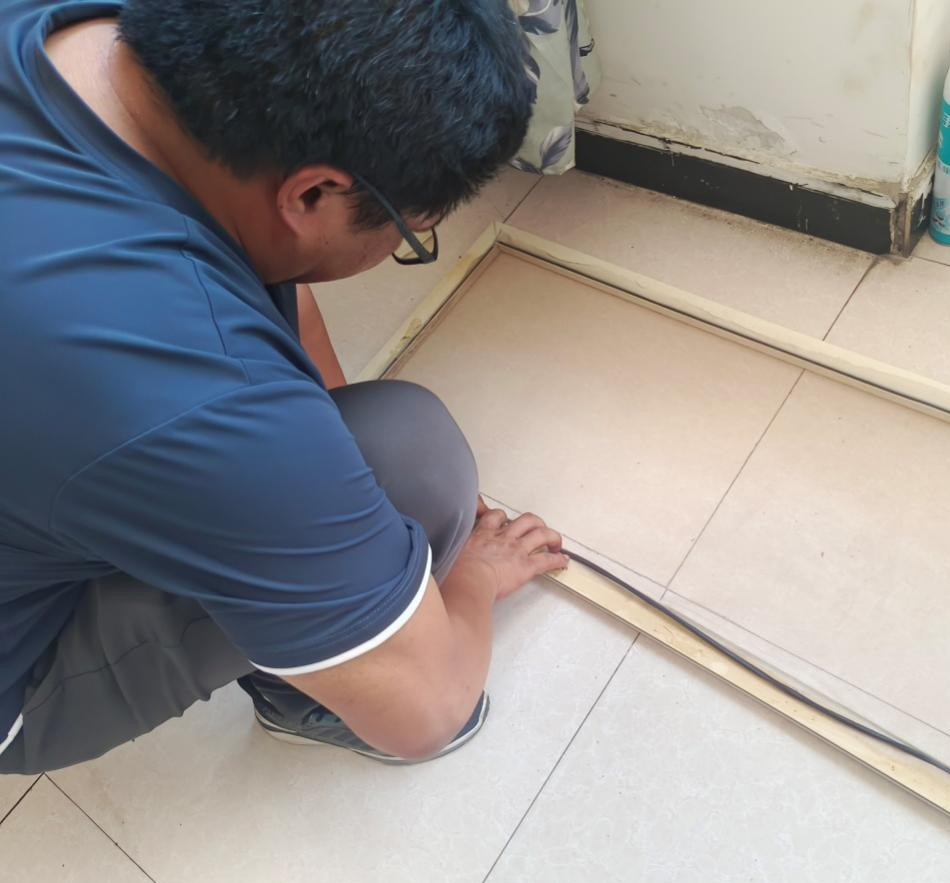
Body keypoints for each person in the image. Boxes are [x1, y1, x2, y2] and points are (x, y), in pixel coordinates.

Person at [0, 0, 569, 776]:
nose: (405, 241)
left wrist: (321, 488)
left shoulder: (93, 43)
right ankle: (298, 697)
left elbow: (270, 270)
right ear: (310, 194)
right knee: (413, 460)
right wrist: (473, 575)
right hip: (17, 676)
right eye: (411, 231)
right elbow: (428, 708)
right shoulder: (198, 391)